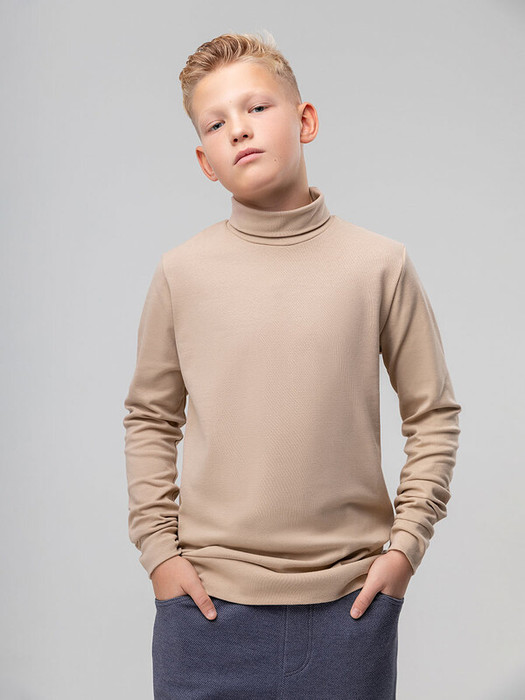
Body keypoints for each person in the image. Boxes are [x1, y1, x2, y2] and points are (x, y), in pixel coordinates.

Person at [123, 30, 462, 700]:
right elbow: (150, 419)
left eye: (256, 107)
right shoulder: (181, 273)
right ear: (205, 161)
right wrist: (159, 554)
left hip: (350, 608)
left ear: (305, 120)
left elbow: (433, 415)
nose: (239, 129)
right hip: (205, 610)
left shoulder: (379, 265)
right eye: (216, 123)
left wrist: (404, 548)